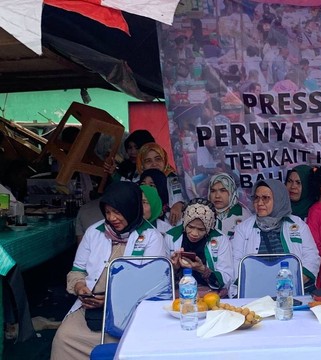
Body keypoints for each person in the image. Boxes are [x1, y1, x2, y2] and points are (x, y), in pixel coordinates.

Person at [51, 182, 166, 360]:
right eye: (108, 212)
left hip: (130, 311)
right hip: (91, 305)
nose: (112, 218)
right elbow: (77, 271)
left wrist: (110, 301)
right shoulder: (93, 232)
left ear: (131, 208)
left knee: (128, 344)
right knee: (64, 337)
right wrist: (80, 287)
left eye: (118, 212)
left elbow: (150, 287)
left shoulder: (152, 237)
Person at [233, 179, 320, 293]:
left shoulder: (297, 224)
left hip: (292, 290)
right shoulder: (243, 228)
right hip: (256, 292)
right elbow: (237, 263)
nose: (259, 203)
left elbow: (312, 257)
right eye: (257, 198)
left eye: (265, 198)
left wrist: (293, 282)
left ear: (279, 199)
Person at [166, 199, 234, 296]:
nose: (194, 233)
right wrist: (174, 267)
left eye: (201, 229)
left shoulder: (220, 239)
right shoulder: (171, 236)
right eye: (190, 227)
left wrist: (202, 269)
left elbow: (227, 278)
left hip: (210, 295)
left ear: (209, 226)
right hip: (178, 295)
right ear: (185, 222)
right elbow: (161, 279)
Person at [136, 143, 185, 225]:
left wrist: (180, 204)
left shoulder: (176, 179)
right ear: (142, 165)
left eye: (158, 159)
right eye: (148, 161)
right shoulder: (136, 184)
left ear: (164, 160)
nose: (154, 164)